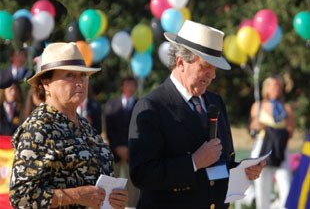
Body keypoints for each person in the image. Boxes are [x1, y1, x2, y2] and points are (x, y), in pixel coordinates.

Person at [128, 20, 266, 208]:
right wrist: (193, 162)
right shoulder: (151, 107)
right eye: (206, 66)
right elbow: (142, 174)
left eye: (214, 68)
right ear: (180, 62)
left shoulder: (214, 102)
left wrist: (242, 169)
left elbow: (219, 163)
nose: (213, 75)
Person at [9, 42, 128, 209]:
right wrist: (77, 195)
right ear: (46, 83)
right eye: (70, 75)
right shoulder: (39, 127)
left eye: (83, 75)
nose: (80, 82)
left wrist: (115, 198)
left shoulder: (84, 125)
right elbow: (20, 196)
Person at [249, 75, 295, 209]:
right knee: (262, 189)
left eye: (279, 86)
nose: (277, 88)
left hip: (281, 150)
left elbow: (290, 132)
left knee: (286, 186)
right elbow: (252, 129)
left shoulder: (286, 108)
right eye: (274, 85)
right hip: (262, 149)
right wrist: (260, 125)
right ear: (267, 88)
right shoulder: (258, 105)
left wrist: (276, 132)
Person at [104, 76, 139, 207]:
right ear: (121, 87)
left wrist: (130, 148)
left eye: (132, 85)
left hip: (133, 152)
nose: (130, 87)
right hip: (115, 151)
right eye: (127, 84)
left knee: (133, 184)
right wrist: (117, 147)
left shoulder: (140, 104)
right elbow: (109, 128)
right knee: (113, 183)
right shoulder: (112, 105)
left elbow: (141, 129)